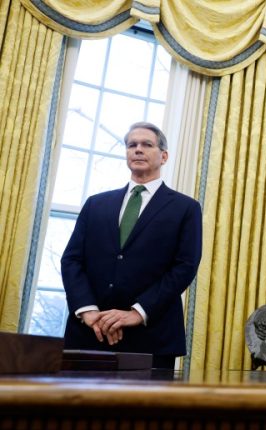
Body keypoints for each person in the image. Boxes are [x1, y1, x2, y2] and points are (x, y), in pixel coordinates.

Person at [61, 122, 202, 369]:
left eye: (147, 144)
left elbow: (185, 267)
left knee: (143, 410)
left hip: (151, 337)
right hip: (90, 333)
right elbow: (72, 260)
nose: (138, 149)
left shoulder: (186, 208)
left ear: (164, 156)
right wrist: (89, 312)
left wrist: (137, 313)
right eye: (131, 145)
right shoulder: (96, 204)